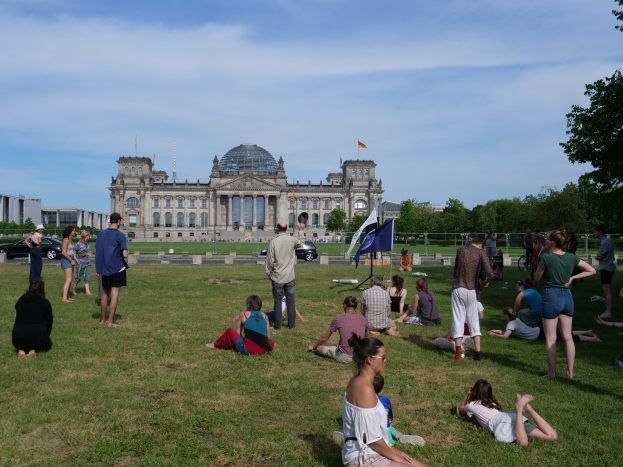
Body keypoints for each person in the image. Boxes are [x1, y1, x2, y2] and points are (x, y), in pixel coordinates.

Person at [341, 334, 427, 467]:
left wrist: (394, 451)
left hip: (369, 451)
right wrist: (394, 456)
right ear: (370, 359)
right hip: (364, 457)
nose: (385, 360)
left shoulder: (356, 380)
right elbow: (371, 438)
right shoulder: (364, 389)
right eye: (383, 357)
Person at [535, 230, 596, 379]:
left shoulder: (547, 258)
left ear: (553, 243)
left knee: (551, 338)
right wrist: (573, 276)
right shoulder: (571, 256)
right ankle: (570, 372)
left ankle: (552, 374)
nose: (545, 241)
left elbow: (537, 278)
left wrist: (541, 260)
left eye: (547, 239)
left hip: (551, 296)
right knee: (568, 337)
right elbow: (592, 270)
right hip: (567, 297)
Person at [457, 379, 557, 447]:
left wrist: (466, 394)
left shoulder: (472, 405)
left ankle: (519, 408)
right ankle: (529, 410)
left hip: (499, 423)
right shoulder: (492, 403)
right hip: (509, 417)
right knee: (552, 436)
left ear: (475, 392)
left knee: (523, 442)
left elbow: (461, 410)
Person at [450, 236, 492, 362]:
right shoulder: (481, 253)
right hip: (472, 290)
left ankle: (458, 356)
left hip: (459, 287)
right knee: (474, 321)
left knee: (458, 320)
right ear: (480, 244)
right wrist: (486, 282)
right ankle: (477, 355)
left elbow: (456, 271)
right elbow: (490, 271)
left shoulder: (460, 250)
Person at [265, 222, 304, 330]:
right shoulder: (291, 240)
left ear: (277, 229)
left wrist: (269, 272)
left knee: (277, 301)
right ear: (286, 229)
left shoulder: (273, 242)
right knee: (291, 301)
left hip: (278, 277)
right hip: (290, 276)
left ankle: (277, 326)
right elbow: (301, 243)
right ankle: (292, 325)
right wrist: (301, 230)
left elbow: (269, 260)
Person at [205, 295, 274, 355]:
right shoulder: (265, 316)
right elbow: (268, 338)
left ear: (248, 304)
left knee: (230, 331)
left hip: (248, 350)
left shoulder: (244, 314)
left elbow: (237, 333)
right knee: (271, 342)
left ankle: (215, 344)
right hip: (266, 349)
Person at [307, 296, 369, 363]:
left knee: (319, 348)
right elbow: (368, 340)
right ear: (356, 307)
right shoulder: (364, 320)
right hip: (359, 356)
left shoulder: (338, 318)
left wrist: (314, 347)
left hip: (344, 357)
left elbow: (324, 338)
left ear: (345, 305)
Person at [488, 307, 601, 342]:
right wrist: (498, 331)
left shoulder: (510, 325)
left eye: (503, 315)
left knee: (564, 337)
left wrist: (496, 335)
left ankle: (593, 339)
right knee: (563, 333)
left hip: (538, 334)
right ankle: (588, 332)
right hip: (539, 330)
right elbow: (508, 333)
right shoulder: (515, 320)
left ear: (506, 316)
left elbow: (506, 336)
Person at [95, 213, 128, 328]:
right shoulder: (120, 235)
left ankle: (103, 320)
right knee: (114, 295)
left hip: (104, 268)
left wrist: (98, 268)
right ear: (118, 221)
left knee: (105, 294)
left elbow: (96, 252)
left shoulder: (101, 234)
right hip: (117, 268)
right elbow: (125, 254)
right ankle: (110, 322)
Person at [373, 374, 424, 447]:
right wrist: (389, 419)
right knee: (390, 428)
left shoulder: (365, 401)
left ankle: (389, 443)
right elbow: (390, 417)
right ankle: (401, 436)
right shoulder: (386, 400)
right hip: (386, 427)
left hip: (374, 432)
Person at [12, 278, 53, 358]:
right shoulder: (44, 302)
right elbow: (49, 321)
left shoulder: (21, 300)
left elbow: (17, 308)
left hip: (18, 335)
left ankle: (21, 350)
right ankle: (32, 350)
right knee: (47, 343)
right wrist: (46, 335)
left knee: (25, 335)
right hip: (37, 333)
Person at [593, 225, 617, 319]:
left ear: (600, 232)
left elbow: (600, 256)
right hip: (606, 267)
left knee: (607, 290)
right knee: (606, 290)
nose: (593, 234)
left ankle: (608, 312)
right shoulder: (604, 241)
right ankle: (607, 311)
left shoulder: (605, 242)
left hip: (606, 268)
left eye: (594, 232)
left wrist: (596, 257)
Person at [61, 226, 78, 303]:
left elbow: (72, 252)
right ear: (70, 231)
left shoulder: (70, 240)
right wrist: (71, 260)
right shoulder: (66, 240)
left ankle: (67, 296)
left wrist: (75, 259)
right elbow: (64, 253)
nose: (75, 232)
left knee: (70, 279)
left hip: (70, 259)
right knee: (68, 279)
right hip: (66, 260)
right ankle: (64, 298)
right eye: (74, 231)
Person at [72, 231, 93, 295]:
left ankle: (87, 291)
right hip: (80, 263)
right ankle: (73, 290)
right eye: (89, 235)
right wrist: (76, 260)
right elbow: (74, 252)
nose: (90, 237)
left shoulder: (87, 243)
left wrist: (89, 259)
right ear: (86, 236)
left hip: (87, 263)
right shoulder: (79, 244)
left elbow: (87, 252)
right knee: (78, 277)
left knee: (87, 277)